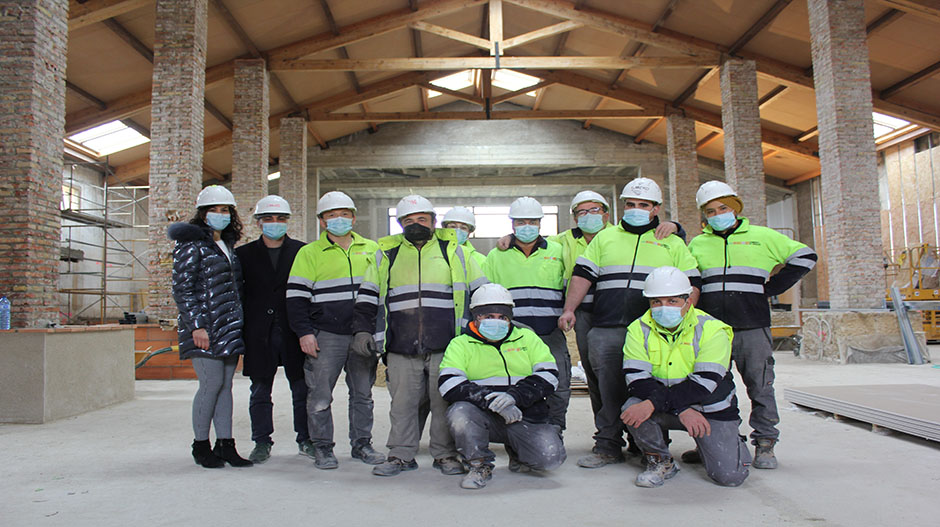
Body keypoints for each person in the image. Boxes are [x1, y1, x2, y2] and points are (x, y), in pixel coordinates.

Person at [557, 177, 701, 469]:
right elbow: (583, 275)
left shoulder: (671, 241)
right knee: (605, 388)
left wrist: (684, 319)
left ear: (656, 208)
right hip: (607, 327)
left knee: (650, 384)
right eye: (631, 204)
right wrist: (569, 309)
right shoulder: (605, 238)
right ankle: (608, 444)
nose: (636, 209)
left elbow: (692, 283)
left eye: (643, 205)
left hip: (653, 330)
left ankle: (648, 445)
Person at [352, 194, 487, 477]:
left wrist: (479, 333)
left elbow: (481, 293)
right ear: (400, 223)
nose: (416, 224)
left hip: (448, 344)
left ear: (434, 222)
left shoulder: (456, 252)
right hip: (401, 343)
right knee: (402, 404)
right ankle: (400, 455)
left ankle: (445, 455)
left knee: (443, 402)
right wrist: (363, 329)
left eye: (422, 219)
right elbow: (367, 295)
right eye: (408, 220)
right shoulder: (385, 253)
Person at [687, 181, 817, 469]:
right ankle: (717, 441)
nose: (718, 214)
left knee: (759, 386)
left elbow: (806, 256)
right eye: (711, 210)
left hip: (751, 326)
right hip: (711, 330)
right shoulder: (698, 243)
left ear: (735, 208)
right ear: (704, 216)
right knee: (711, 388)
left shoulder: (762, 237)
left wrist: (772, 288)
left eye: (723, 208)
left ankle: (766, 443)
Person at [621, 266, 750, 488]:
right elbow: (637, 379)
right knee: (632, 407)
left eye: (672, 301)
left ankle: (723, 443)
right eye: (656, 302)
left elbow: (704, 384)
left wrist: (663, 403)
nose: (663, 308)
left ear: (687, 302)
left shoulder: (712, 329)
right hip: (671, 405)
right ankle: (661, 461)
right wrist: (681, 410)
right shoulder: (638, 329)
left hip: (709, 407)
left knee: (730, 477)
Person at [286, 191, 385, 469]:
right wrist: (304, 333)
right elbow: (295, 297)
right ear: (321, 221)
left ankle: (362, 445)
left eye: (343, 214)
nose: (338, 219)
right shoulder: (309, 253)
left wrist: (377, 332)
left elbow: (381, 294)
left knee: (363, 395)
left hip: (362, 335)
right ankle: (323, 447)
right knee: (319, 395)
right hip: (325, 335)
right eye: (331, 215)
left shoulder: (373, 249)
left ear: (353, 217)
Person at [439, 283, 566, 489]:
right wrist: (491, 400)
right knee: (459, 413)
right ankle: (479, 464)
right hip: (483, 417)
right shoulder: (461, 344)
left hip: (523, 415)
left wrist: (515, 397)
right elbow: (448, 383)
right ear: (475, 317)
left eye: (502, 317)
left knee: (550, 458)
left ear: (510, 318)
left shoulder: (528, 338)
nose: (495, 322)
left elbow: (549, 375)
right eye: (488, 316)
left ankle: (518, 454)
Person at [168, 184, 252, 468]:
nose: (221, 214)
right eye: (214, 209)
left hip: (228, 326)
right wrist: (196, 326)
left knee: (226, 386)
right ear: (202, 214)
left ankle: (226, 445)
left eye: (225, 209)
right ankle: (201, 445)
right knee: (211, 384)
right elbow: (182, 288)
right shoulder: (191, 245)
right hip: (204, 328)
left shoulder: (225, 245)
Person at [482, 197, 570, 431]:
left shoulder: (558, 251)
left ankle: (555, 428)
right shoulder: (496, 255)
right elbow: (487, 293)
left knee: (558, 382)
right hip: (512, 334)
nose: (527, 226)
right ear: (512, 224)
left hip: (550, 331)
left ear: (541, 223)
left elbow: (568, 285)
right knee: (514, 382)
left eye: (532, 221)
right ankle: (518, 431)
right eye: (521, 221)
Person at [235, 195, 308, 464]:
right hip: (258, 332)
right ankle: (262, 441)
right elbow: (238, 295)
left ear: (288, 221)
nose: (274, 223)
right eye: (268, 219)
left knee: (301, 390)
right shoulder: (242, 255)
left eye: (280, 219)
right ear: (258, 222)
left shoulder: (302, 251)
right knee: (260, 390)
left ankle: (306, 439)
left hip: (292, 330)